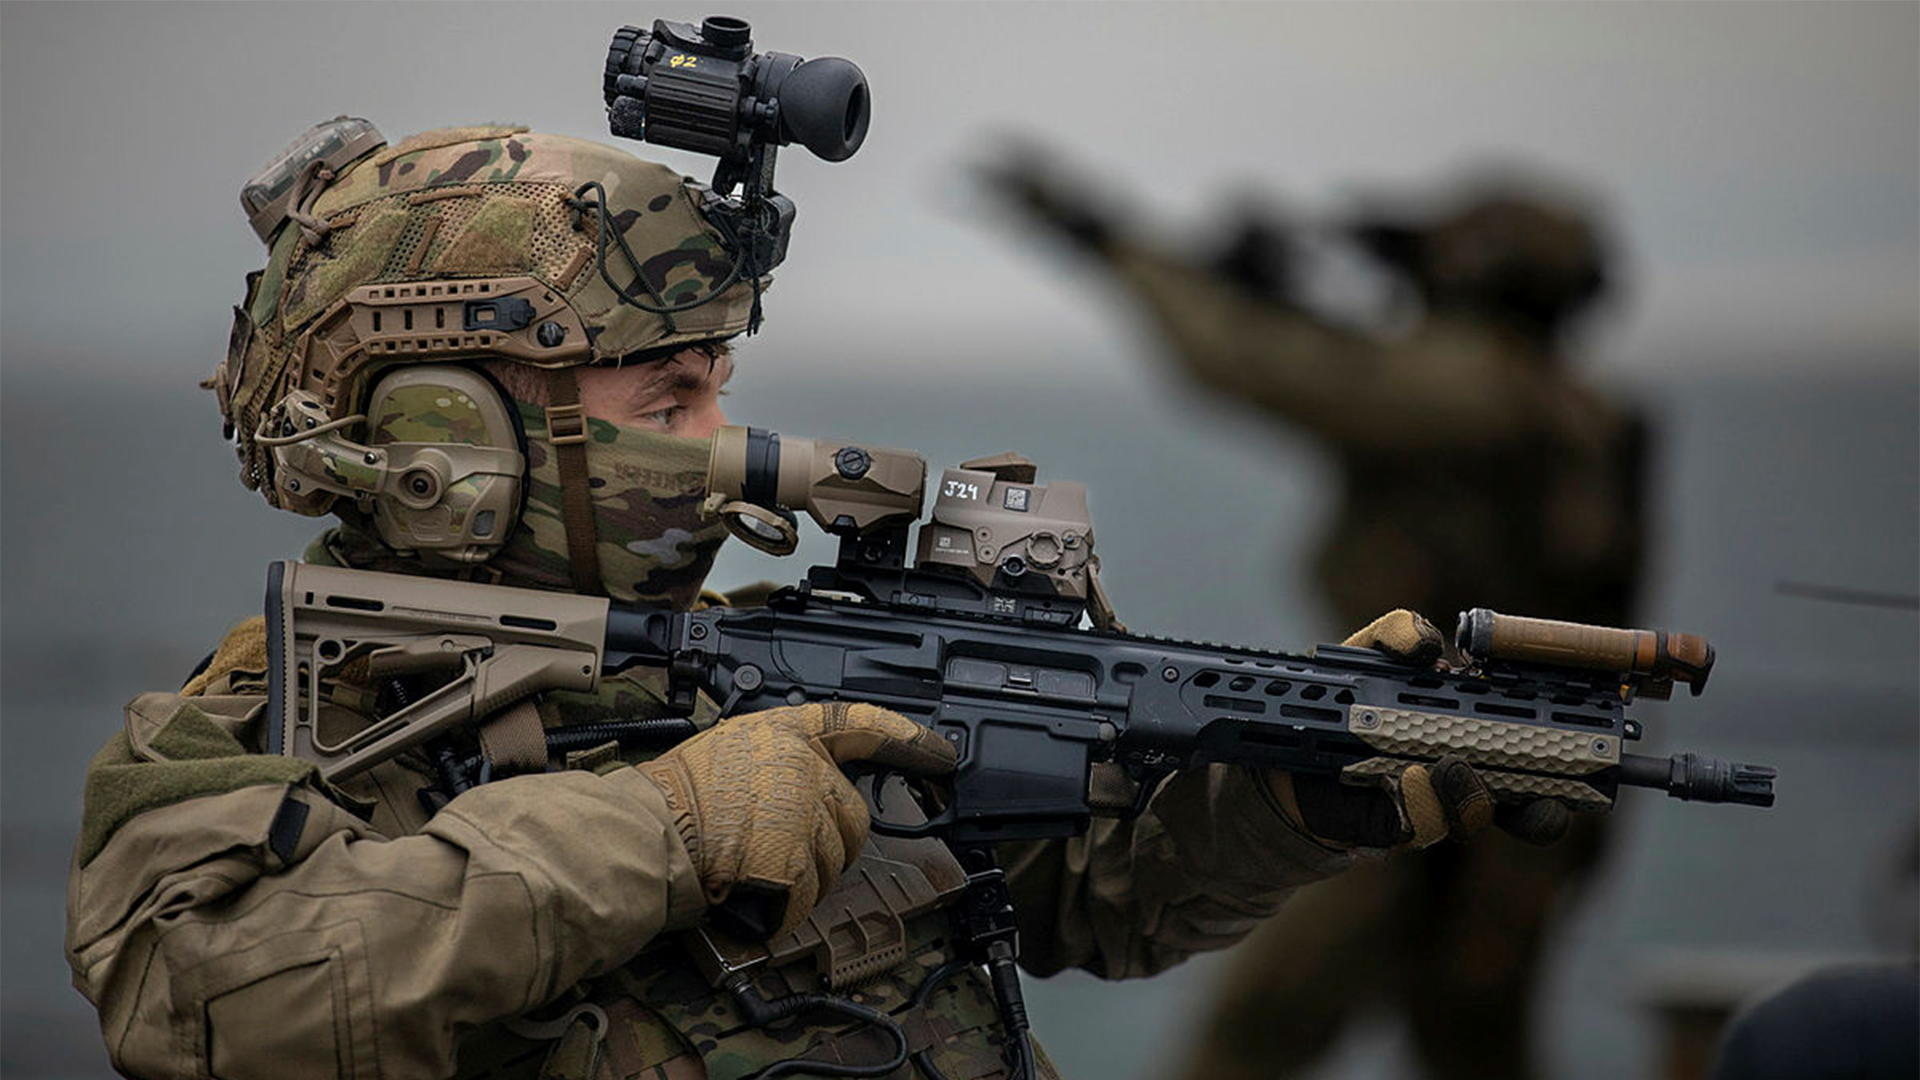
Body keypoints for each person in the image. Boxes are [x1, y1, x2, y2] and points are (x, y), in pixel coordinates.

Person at [64, 121, 1560, 1080]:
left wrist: (1293, 799)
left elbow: (1081, 902)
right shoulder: (286, 716)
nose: (724, 440)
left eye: (723, 383)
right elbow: (195, 997)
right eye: (670, 386)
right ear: (454, 431)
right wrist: (666, 827)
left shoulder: (731, 663)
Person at [981, 151, 1646, 1080]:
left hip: (1440, 765)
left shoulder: (1478, 395)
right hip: (1485, 768)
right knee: (1472, 1036)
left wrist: (1114, 244)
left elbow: (1261, 364)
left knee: (1259, 1037)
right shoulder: (1558, 405)